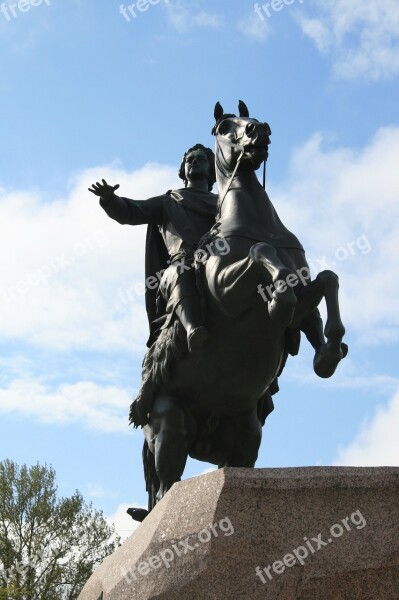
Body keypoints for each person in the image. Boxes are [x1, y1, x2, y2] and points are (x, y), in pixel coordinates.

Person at [89, 144, 218, 351]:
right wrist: (109, 199)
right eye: (189, 160)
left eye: (200, 159)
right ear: (183, 170)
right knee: (179, 272)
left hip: (219, 259)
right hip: (184, 263)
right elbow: (132, 211)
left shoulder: (224, 202)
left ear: (211, 169)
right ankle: (192, 328)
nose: (194, 162)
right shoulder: (169, 201)